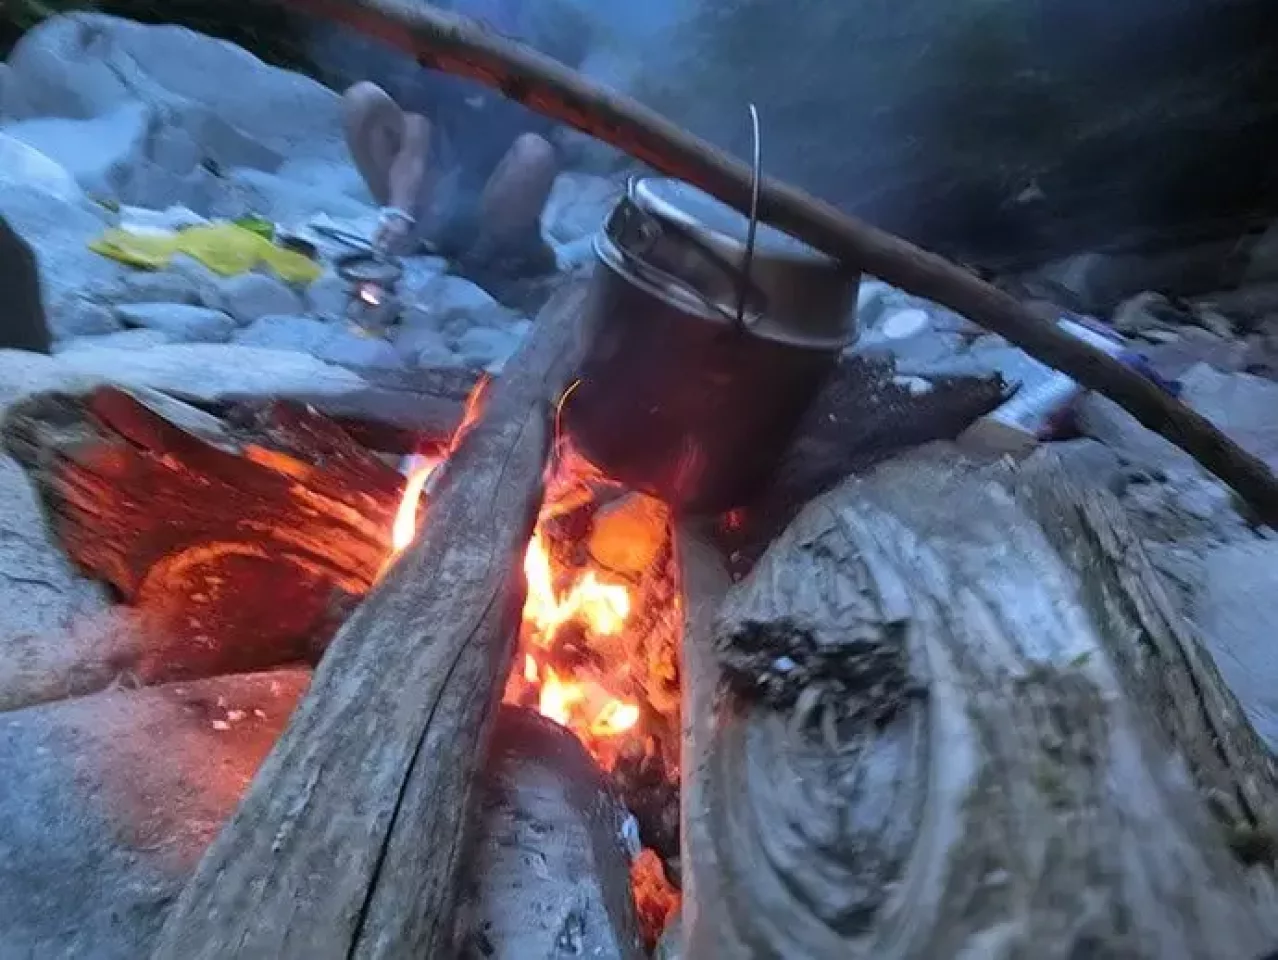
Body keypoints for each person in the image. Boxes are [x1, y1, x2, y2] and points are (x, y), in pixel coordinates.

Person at [338, 0, 589, 278]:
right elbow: (415, 141)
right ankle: (403, 235)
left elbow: (543, 162)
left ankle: (483, 261)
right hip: (430, 201)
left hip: (489, 211)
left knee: (536, 152)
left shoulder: (532, 78)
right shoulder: (441, 63)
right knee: (362, 100)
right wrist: (399, 212)